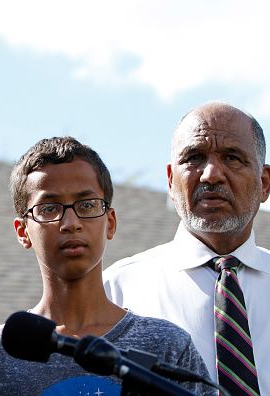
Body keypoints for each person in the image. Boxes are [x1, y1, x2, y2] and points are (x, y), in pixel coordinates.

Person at [0, 136, 213, 395]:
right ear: (23, 231)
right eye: (49, 208)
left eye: (87, 205)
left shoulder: (167, 347)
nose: (70, 222)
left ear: (110, 222)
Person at [103, 101, 270, 395]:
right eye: (194, 158)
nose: (211, 175)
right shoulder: (116, 292)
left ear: (265, 183)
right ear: (170, 179)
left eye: (232, 158)